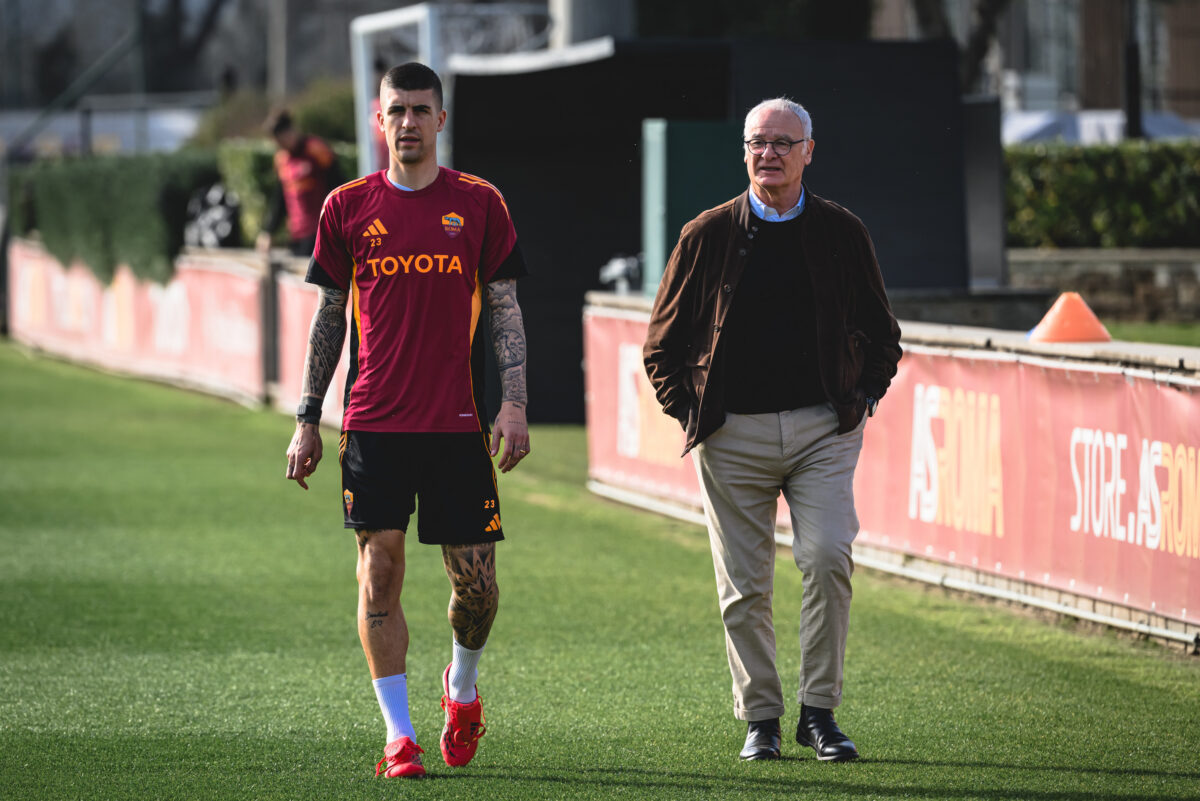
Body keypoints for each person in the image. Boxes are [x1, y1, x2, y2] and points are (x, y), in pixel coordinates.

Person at [284, 62, 530, 779]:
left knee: (477, 590)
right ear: (379, 119)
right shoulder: (346, 206)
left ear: (441, 119)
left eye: (421, 109)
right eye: (397, 110)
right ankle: (399, 736)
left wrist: (514, 401)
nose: (409, 122)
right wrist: (307, 416)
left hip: (458, 426)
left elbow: (506, 310)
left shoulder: (480, 203)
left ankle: (461, 688)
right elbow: (329, 318)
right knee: (379, 574)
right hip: (373, 425)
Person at [643, 97, 902, 763]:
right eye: (758, 142)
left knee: (828, 557)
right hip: (732, 436)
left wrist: (862, 398)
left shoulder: (843, 231)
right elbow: (661, 345)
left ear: (809, 151)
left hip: (824, 431)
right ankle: (761, 717)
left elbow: (883, 334)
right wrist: (694, 414)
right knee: (744, 586)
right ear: (744, 151)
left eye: (784, 142)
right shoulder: (706, 233)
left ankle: (820, 713)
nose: (770, 154)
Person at [257, 108, 344, 256]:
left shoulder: (317, 149)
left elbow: (338, 187)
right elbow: (280, 198)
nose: (281, 144)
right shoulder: (282, 159)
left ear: (291, 131)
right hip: (297, 235)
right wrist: (268, 231)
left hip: (321, 233)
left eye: (282, 139)